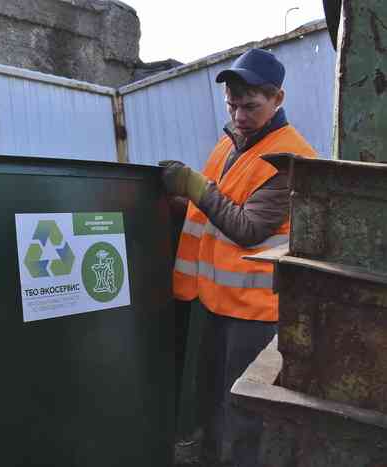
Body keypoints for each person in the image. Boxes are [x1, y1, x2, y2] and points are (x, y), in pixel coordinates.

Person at [159, 48, 317, 466]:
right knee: (213, 397)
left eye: (251, 105)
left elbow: (248, 229)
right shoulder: (230, 144)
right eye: (232, 104)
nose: (239, 114)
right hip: (216, 301)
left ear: (278, 99)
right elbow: (207, 211)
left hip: (257, 311)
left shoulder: (289, 159)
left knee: (242, 412)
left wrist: (195, 187)